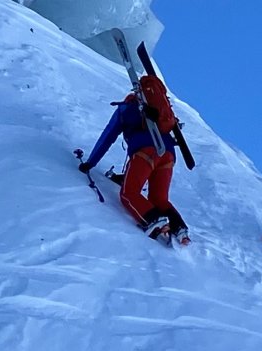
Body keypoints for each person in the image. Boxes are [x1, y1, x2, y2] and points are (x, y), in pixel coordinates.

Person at [78, 76, 187, 242]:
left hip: (145, 152)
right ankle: (180, 230)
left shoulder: (126, 109)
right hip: (168, 156)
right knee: (159, 198)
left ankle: (154, 220)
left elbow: (107, 137)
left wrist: (90, 163)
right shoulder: (163, 111)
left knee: (128, 194)